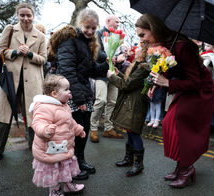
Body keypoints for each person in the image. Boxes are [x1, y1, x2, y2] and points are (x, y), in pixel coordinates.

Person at [135, 14, 214, 188]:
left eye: (143, 35)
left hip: (201, 90)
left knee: (177, 123)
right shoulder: (167, 45)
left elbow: (196, 82)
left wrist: (167, 83)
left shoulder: (183, 46)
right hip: (187, 88)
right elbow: (169, 70)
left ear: (154, 29)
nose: (141, 39)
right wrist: (156, 84)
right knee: (171, 121)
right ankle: (182, 166)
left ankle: (186, 168)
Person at [54, 8, 108, 180]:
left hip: (84, 91)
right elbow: (68, 71)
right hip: (71, 94)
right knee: (71, 132)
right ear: (80, 24)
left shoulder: (89, 42)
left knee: (83, 130)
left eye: (94, 28)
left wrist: (105, 65)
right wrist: (78, 99)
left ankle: (80, 160)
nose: (91, 31)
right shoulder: (69, 40)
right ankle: (70, 167)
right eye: (87, 27)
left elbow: (89, 70)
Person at [0, 2, 47, 160]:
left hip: (34, 81)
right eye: (22, 15)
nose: (25, 18)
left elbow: (44, 58)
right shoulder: (10, 30)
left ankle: (35, 149)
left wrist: (29, 54)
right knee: (4, 114)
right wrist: (15, 51)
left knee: (33, 115)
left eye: (28, 15)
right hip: (11, 79)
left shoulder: (41, 36)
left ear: (33, 16)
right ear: (18, 15)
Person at [29, 74, 85, 196]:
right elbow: (38, 122)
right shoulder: (44, 107)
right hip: (50, 148)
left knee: (66, 166)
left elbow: (69, 122)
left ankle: (68, 185)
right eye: (66, 89)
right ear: (54, 93)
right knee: (53, 170)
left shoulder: (63, 105)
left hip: (64, 145)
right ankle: (54, 192)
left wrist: (78, 129)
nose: (69, 91)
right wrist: (45, 130)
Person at [107, 43, 150, 176]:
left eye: (138, 49)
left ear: (144, 53)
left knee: (133, 132)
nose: (134, 50)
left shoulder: (143, 68)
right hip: (132, 102)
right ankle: (129, 159)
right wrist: (118, 74)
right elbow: (129, 82)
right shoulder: (138, 65)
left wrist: (111, 76)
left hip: (135, 104)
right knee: (130, 131)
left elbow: (126, 85)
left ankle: (138, 164)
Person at [89, 15, 124, 143]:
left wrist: (121, 56)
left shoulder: (118, 36)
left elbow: (118, 51)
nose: (118, 24)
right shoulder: (98, 34)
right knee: (101, 100)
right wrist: (110, 57)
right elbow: (97, 52)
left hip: (113, 73)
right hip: (100, 73)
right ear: (108, 21)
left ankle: (108, 128)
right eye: (117, 21)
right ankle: (93, 128)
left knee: (112, 101)